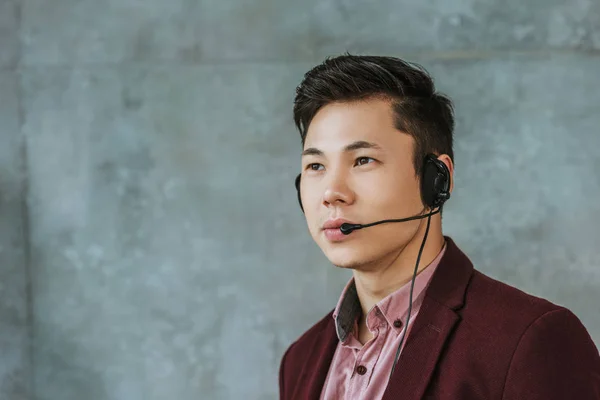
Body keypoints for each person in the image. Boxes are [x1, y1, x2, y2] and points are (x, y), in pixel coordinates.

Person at [278, 54, 600, 400]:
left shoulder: (530, 340)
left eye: (363, 160)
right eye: (315, 165)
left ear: (437, 178)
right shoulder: (301, 358)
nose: (331, 193)